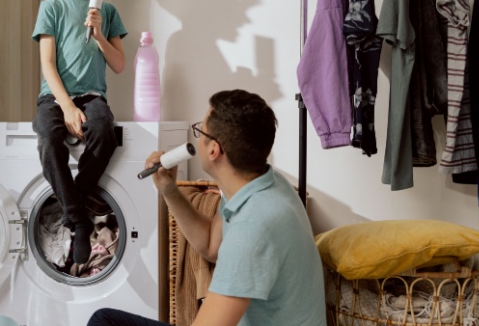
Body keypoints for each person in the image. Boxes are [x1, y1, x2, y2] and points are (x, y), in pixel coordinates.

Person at [88, 90, 326, 326]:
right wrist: (169, 190)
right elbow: (211, 246)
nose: (197, 138)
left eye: (200, 130)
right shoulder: (262, 184)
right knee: (104, 320)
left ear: (214, 149)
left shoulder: (252, 228)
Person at [32, 0, 127, 265]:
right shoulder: (52, 7)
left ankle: (74, 204)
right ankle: (80, 219)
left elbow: (119, 64)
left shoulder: (109, 11)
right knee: (48, 139)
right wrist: (67, 107)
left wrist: (99, 35)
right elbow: (47, 64)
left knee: (105, 133)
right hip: (55, 97)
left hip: (93, 96)